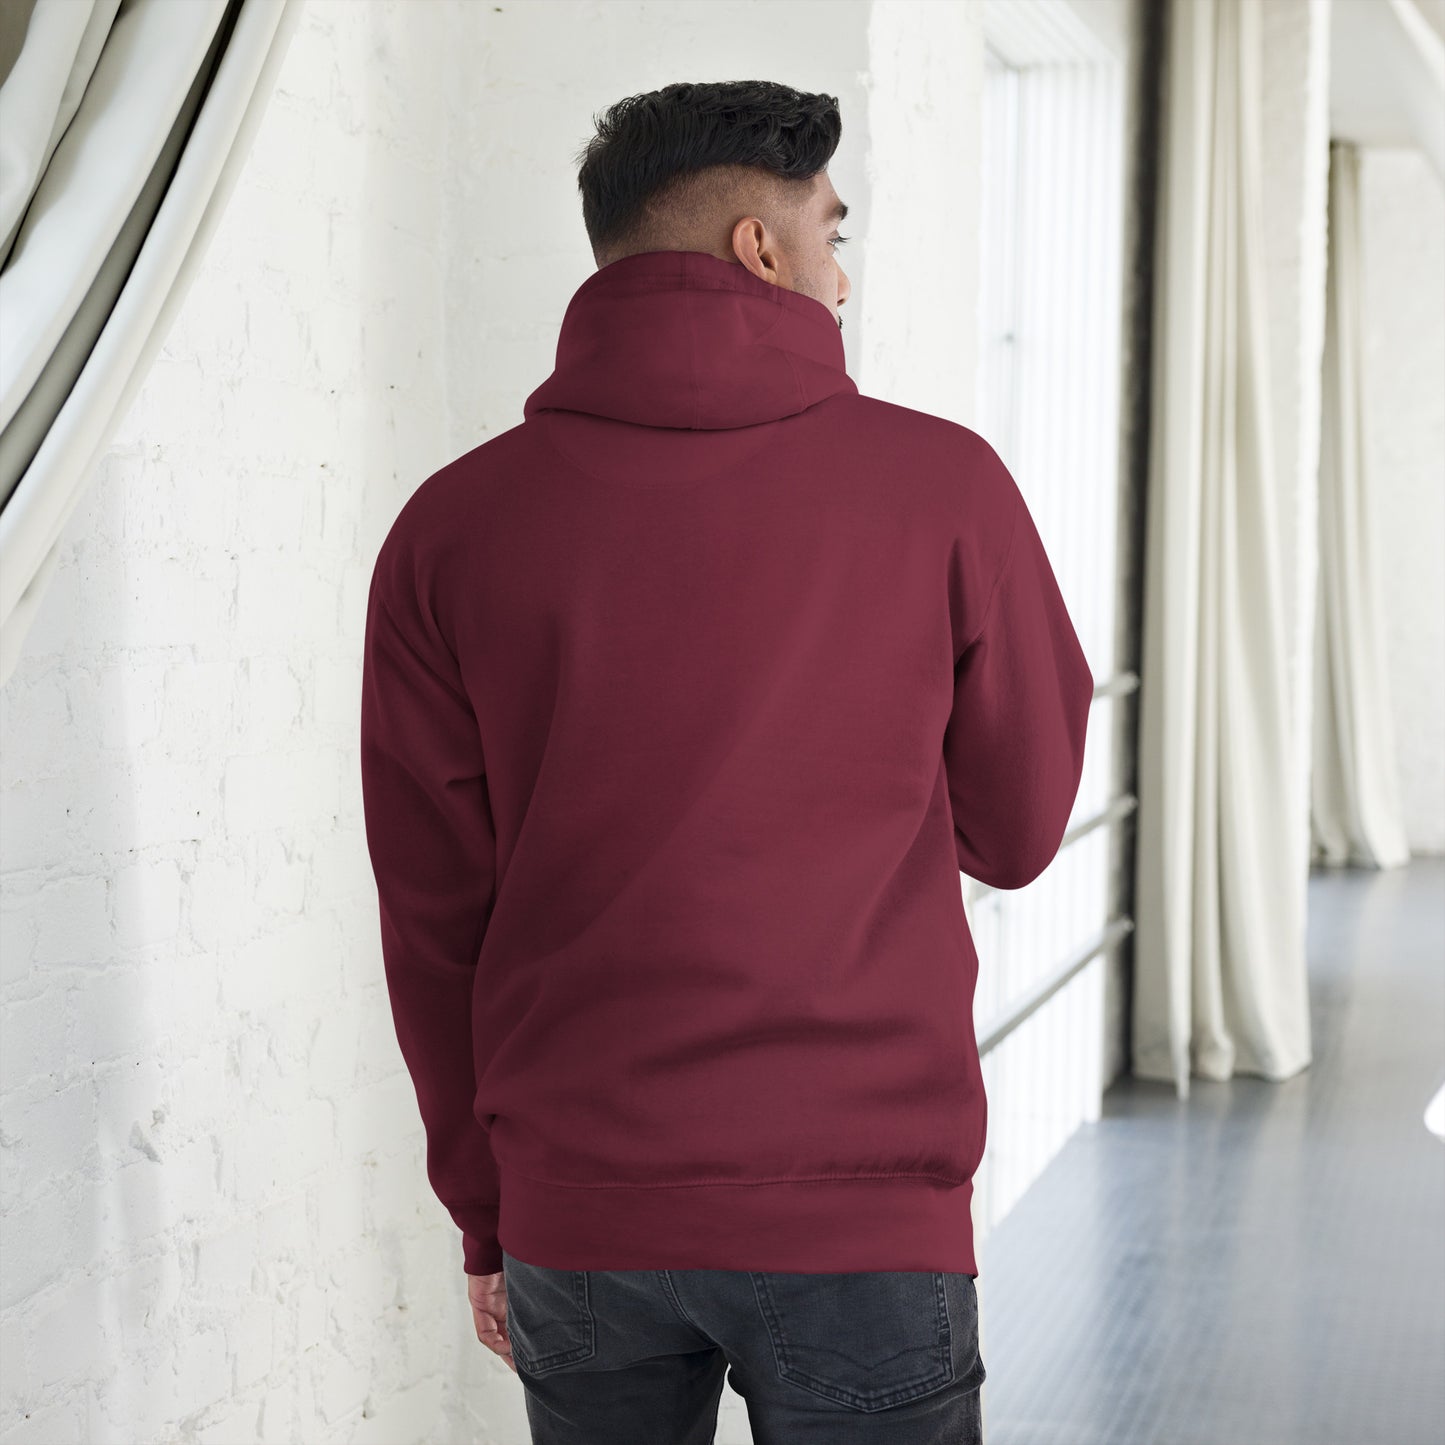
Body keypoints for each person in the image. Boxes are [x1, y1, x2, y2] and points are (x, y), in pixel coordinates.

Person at [359, 78, 1093, 1445]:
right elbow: (1019, 823)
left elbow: (432, 921)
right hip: (862, 1209)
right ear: (759, 249)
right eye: (832, 237)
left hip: (579, 1208)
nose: (841, 277)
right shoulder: (943, 489)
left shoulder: (448, 530)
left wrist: (488, 1209)